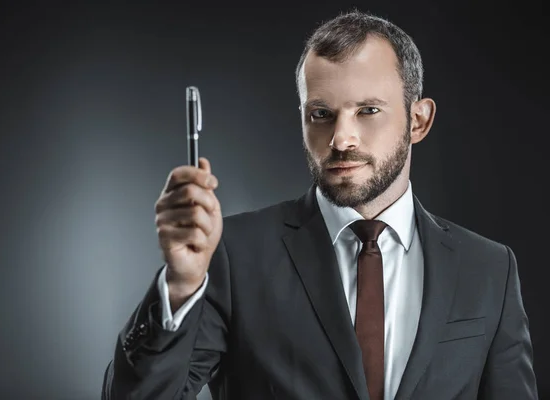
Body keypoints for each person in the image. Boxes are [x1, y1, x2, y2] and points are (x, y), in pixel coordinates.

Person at [101, 9, 538, 400]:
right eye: (320, 114)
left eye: (367, 111)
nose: (340, 139)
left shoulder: (489, 269)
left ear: (418, 120)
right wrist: (179, 287)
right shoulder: (232, 256)